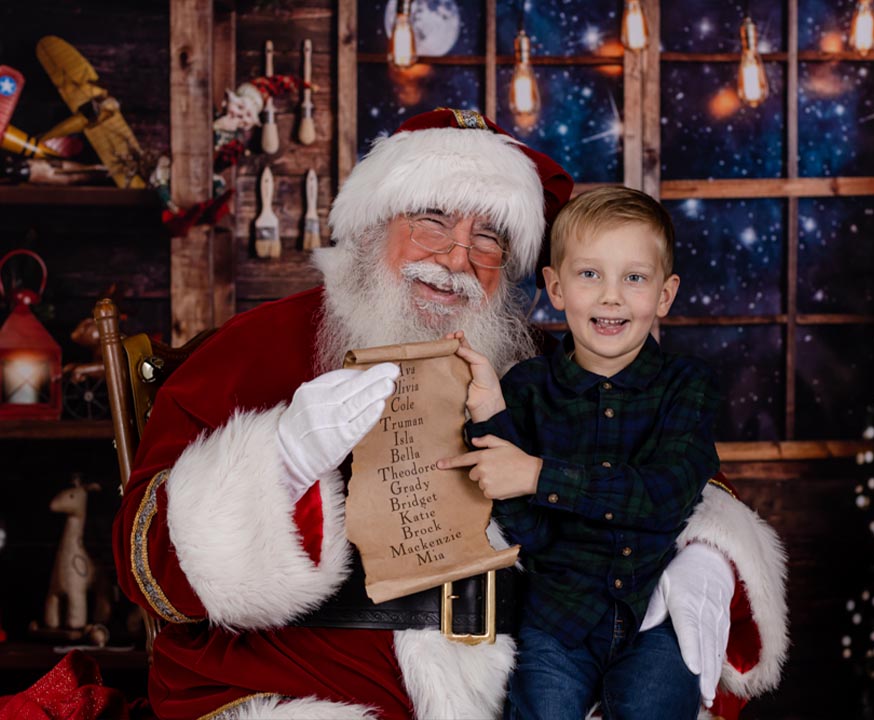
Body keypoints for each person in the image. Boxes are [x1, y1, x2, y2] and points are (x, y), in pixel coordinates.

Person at [111, 108, 787, 720]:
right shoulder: (261, 346)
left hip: (524, 680)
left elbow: (676, 470)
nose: (456, 259)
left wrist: (703, 553)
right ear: (378, 225)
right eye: (432, 219)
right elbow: (148, 567)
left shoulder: (548, 364)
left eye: (489, 238)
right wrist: (279, 461)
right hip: (311, 679)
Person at [438, 187, 722, 719]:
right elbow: (528, 528)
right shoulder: (526, 387)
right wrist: (490, 416)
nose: (611, 297)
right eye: (589, 274)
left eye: (634, 278)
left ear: (664, 294)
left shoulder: (689, 386)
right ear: (555, 286)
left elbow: (661, 496)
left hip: (653, 613)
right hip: (557, 618)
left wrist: (541, 475)